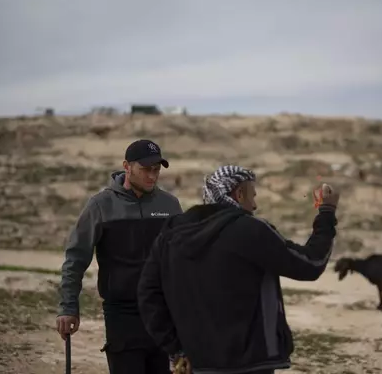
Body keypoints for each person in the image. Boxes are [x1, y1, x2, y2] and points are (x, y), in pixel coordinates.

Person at [137, 165, 340, 374]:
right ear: (239, 194)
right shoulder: (250, 230)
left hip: (196, 364)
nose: (255, 205)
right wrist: (327, 212)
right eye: (252, 195)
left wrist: (177, 348)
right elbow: (309, 264)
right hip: (250, 364)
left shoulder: (171, 235)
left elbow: (148, 295)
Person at [56, 139, 183, 374]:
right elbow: (75, 259)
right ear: (127, 166)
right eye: (145, 169)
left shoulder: (170, 205)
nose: (152, 176)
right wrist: (68, 307)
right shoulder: (100, 205)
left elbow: (182, 261)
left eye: (156, 170)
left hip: (162, 315)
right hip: (122, 315)